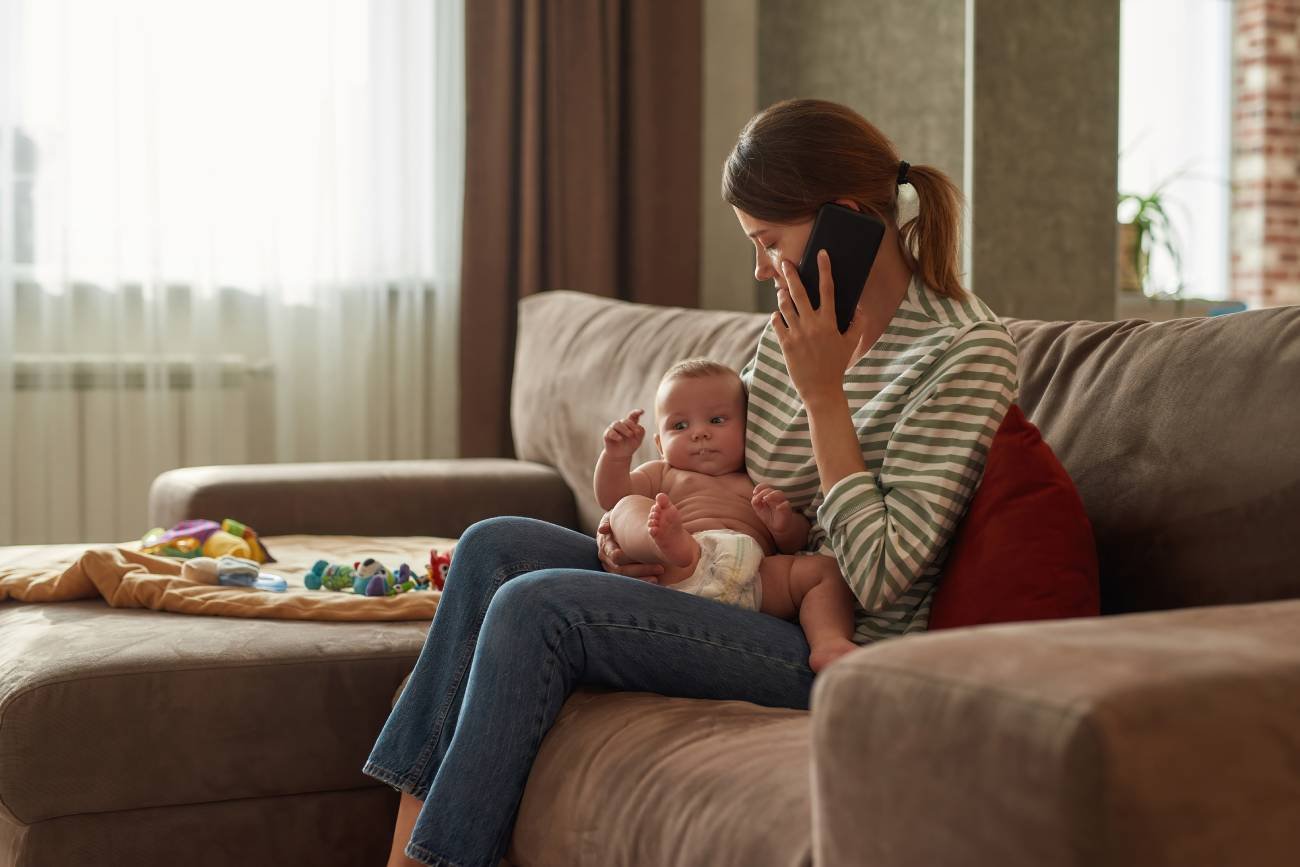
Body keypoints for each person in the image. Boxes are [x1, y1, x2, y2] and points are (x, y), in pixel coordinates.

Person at [363, 97, 1020, 867]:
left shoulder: (964, 354)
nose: (758, 267)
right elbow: (716, 473)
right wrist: (639, 532)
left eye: (767, 241)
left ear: (843, 218)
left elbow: (879, 575)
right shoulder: (790, 327)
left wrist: (824, 395)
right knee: (494, 546)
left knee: (538, 604)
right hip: (720, 578)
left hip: (824, 640)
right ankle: (406, 852)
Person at [594, 358, 859, 672]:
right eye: (680, 426)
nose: (700, 434)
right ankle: (666, 543)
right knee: (626, 507)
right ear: (660, 445)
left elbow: (794, 545)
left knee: (823, 571)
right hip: (679, 569)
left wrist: (783, 525)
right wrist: (616, 457)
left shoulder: (756, 480)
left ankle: (828, 642)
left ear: (748, 431)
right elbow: (611, 497)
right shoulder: (662, 474)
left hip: (754, 578)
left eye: (717, 420)